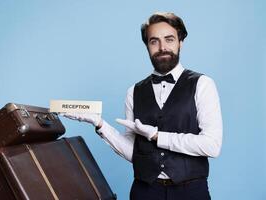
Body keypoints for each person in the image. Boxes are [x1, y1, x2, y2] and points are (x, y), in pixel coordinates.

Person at [61, 12, 223, 200]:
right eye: (154, 41)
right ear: (147, 46)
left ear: (181, 42)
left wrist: (156, 136)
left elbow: (212, 146)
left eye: (169, 39)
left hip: (191, 192)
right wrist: (100, 124)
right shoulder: (134, 92)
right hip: (145, 192)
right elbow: (134, 153)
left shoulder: (203, 84)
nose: (162, 47)